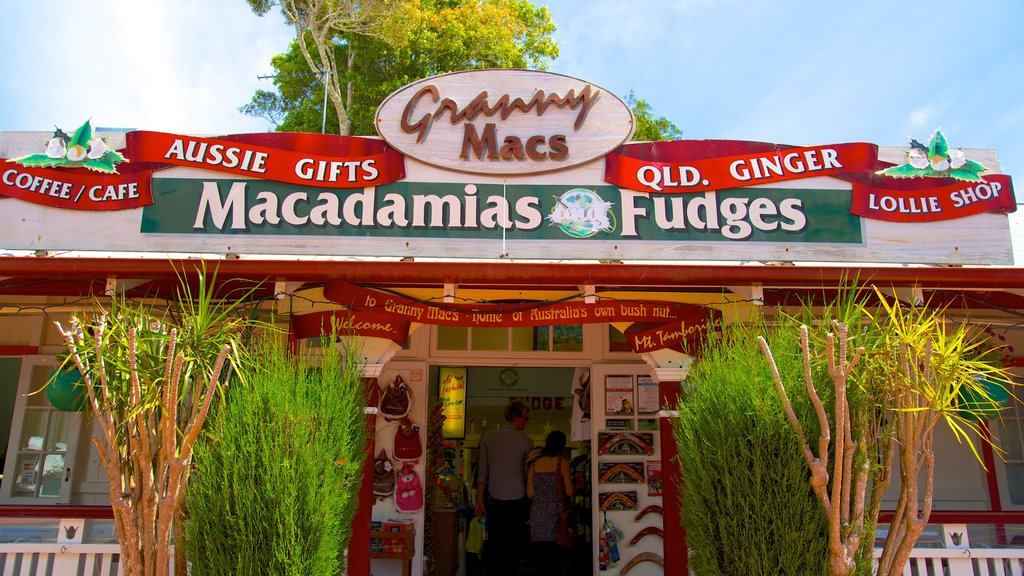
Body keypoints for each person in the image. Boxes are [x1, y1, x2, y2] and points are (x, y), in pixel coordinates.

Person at [475, 400, 533, 576]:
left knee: (495, 544)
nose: (526, 421)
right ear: (517, 418)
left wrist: (479, 500)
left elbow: (483, 473)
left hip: (494, 499)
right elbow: (526, 474)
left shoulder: (488, 438)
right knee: (513, 546)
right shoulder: (526, 441)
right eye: (526, 418)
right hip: (517, 500)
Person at [527, 430, 574, 573]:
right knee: (555, 561)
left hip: (538, 516)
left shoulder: (534, 465)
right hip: (556, 516)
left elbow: (529, 494)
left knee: (542, 560)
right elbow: (569, 491)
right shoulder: (562, 462)